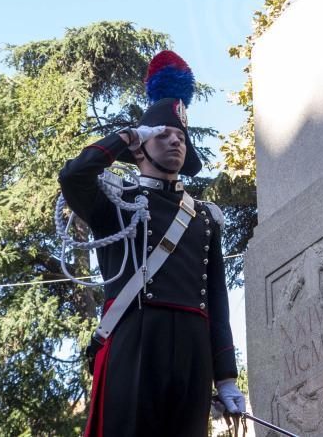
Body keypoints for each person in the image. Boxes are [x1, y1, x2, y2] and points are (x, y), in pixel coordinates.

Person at [58, 50, 246, 437]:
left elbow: (217, 301)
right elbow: (73, 177)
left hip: (194, 352)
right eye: (164, 135)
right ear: (141, 147)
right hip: (137, 336)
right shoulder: (115, 203)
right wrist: (127, 136)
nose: (175, 142)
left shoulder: (205, 216)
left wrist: (226, 377)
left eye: (181, 137)